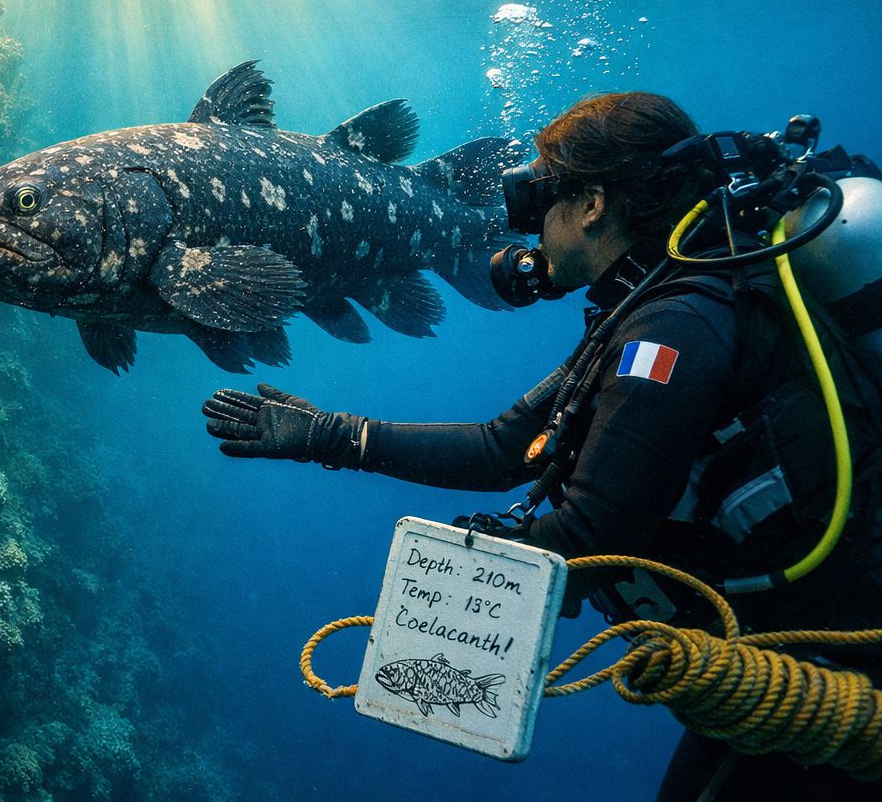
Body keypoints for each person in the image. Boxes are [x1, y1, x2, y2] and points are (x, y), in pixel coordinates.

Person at [201, 92, 882, 800]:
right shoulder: (658, 306)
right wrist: (329, 435)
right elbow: (504, 447)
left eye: (536, 201)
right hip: (782, 656)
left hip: (835, 666)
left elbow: (594, 530)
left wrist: (468, 578)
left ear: (590, 204)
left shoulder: (671, 325)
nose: (528, 229)